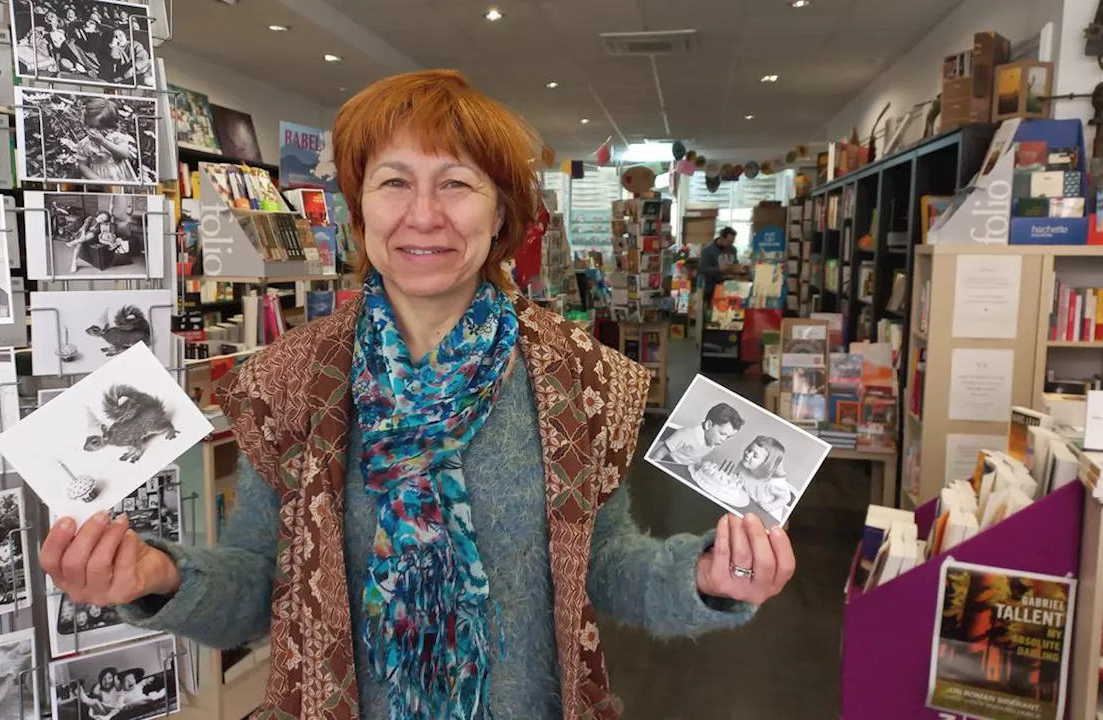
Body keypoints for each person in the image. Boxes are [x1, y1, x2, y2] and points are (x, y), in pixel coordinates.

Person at [40, 70, 797, 720]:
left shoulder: (576, 378)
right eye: (394, 181)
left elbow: (607, 567)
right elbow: (258, 585)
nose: (424, 214)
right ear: (359, 208)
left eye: (458, 184)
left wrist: (703, 577)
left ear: (500, 214)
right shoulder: (293, 381)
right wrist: (157, 577)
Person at [648, 402, 745, 466]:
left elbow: (696, 455)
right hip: (669, 461)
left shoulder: (713, 441)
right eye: (722, 434)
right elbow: (660, 452)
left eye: (728, 437)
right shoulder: (684, 435)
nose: (724, 439)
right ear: (708, 425)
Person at [734, 436, 794, 523]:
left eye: (755, 455)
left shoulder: (774, 482)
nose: (748, 454)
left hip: (765, 515)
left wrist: (770, 506)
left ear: (766, 464)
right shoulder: (744, 465)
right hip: (746, 505)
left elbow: (786, 498)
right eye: (749, 449)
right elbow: (735, 478)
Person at [75, 98, 137, 183]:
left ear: (111, 126)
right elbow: (83, 166)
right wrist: (98, 181)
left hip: (118, 178)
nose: (93, 131)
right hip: (96, 179)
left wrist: (103, 142)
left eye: (99, 127)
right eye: (90, 126)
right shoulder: (85, 144)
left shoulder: (117, 138)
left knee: (120, 195)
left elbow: (124, 154)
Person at [698, 226, 743, 304]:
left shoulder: (732, 249)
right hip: (712, 288)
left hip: (729, 287)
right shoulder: (708, 250)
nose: (730, 244)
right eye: (729, 241)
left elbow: (735, 262)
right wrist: (719, 270)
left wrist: (738, 268)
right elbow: (702, 268)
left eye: (732, 242)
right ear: (722, 237)